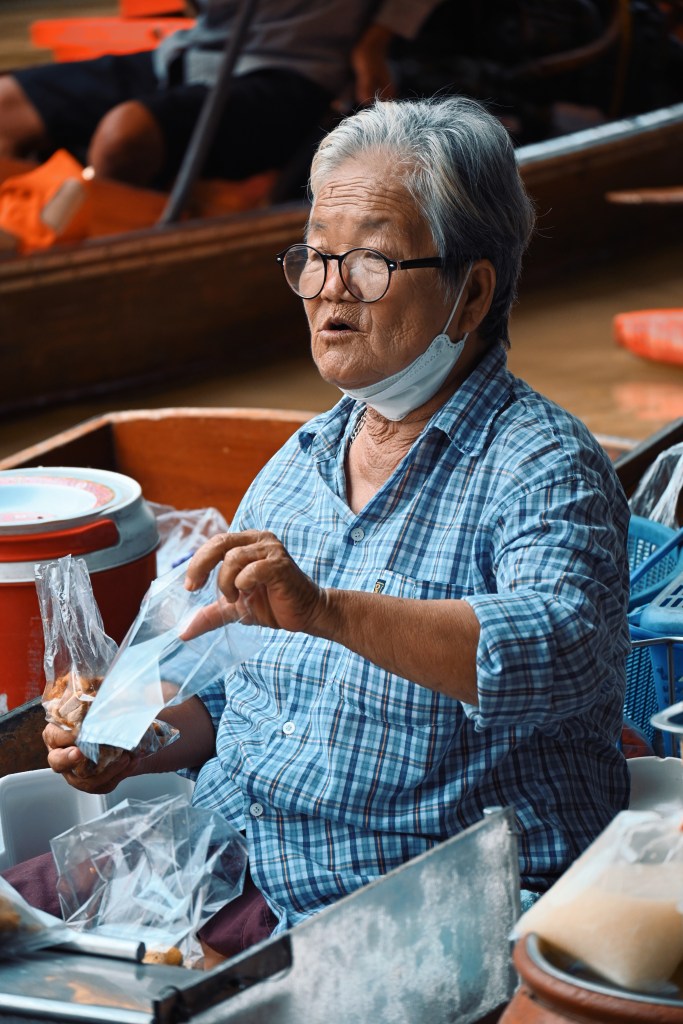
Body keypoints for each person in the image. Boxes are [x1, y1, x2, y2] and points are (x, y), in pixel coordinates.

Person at [5, 94, 631, 966]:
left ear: (471, 293)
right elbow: (243, 698)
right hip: (224, 851)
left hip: (399, 903)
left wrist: (330, 611)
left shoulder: (543, 463)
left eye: (371, 259)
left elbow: (560, 652)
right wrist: (132, 744)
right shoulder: (297, 465)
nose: (330, 287)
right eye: (315, 256)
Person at [0, 0, 443, 186]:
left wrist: (376, 41)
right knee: (6, 105)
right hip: (194, 50)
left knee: (124, 137)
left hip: (300, 69)